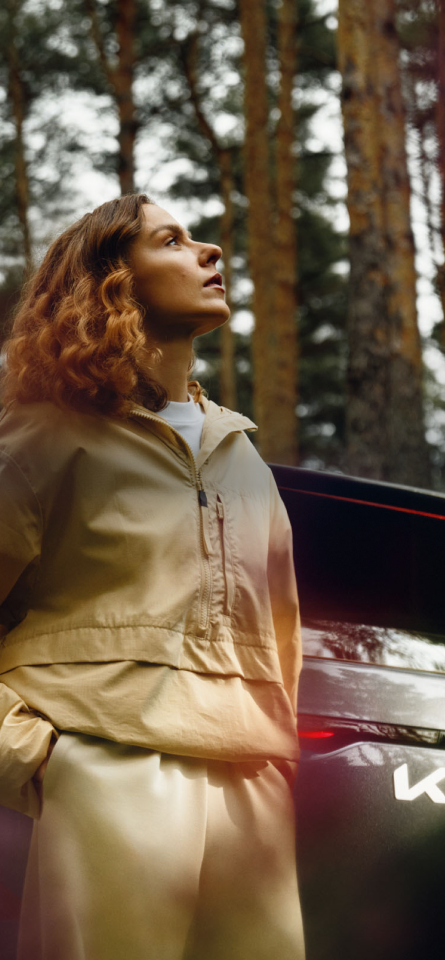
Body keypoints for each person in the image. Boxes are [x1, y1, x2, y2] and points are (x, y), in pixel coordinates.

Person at [0, 194, 305, 960]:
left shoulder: (242, 455)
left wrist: (274, 753)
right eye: (173, 240)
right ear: (112, 283)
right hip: (103, 768)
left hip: (251, 783)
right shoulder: (43, 434)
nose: (211, 253)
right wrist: (32, 757)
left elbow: (281, 637)